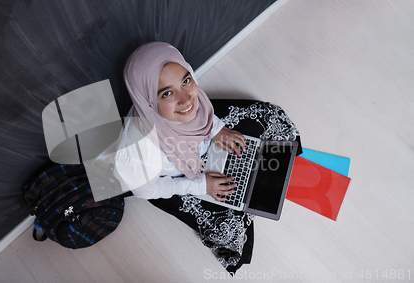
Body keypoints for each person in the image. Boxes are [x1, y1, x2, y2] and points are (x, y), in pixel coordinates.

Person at [115, 42, 301, 273]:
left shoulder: (189, 95)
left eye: (186, 81)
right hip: (178, 177)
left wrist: (216, 129)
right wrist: (200, 184)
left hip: (201, 146)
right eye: (167, 93)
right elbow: (146, 191)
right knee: (230, 229)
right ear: (147, 102)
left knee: (269, 118)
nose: (187, 100)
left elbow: (201, 109)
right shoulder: (140, 149)